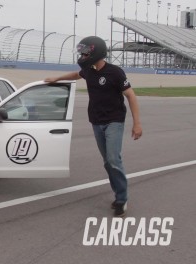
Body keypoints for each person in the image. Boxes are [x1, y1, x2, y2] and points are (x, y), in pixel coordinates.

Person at [45, 36, 142, 217]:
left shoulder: (115, 72)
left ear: (95, 51)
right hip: (96, 122)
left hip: (114, 121)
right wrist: (56, 79)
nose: (82, 56)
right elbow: (76, 75)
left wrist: (137, 124)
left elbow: (131, 95)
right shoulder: (88, 71)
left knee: (113, 159)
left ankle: (121, 198)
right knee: (107, 162)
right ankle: (118, 194)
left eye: (85, 53)